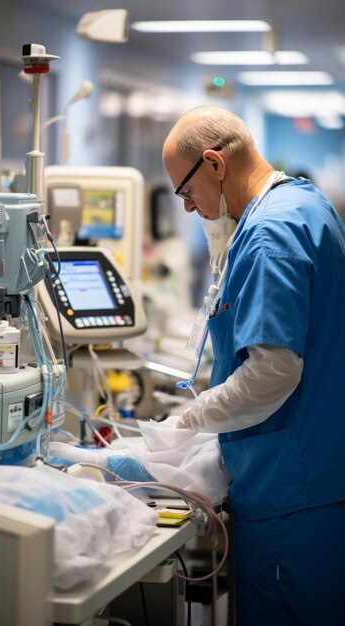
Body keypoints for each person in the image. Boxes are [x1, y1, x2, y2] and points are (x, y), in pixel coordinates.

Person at [162, 105, 345, 626]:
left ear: (215, 164)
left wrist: (190, 421)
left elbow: (272, 373)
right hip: (317, 479)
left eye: (187, 193)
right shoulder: (304, 204)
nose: (191, 209)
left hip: (290, 495)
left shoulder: (269, 235)